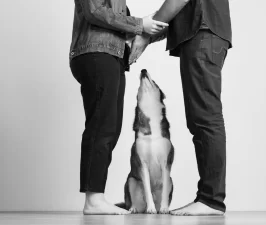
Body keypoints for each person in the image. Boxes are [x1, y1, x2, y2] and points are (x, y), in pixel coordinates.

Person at [129, 0, 232, 216]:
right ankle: (209, 198)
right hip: (205, 37)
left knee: (205, 118)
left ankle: (211, 200)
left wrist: (147, 32)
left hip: (203, 37)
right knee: (201, 119)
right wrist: (147, 30)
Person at [69, 0, 168, 215]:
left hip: (111, 57)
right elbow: (94, 11)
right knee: (101, 127)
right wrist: (140, 24)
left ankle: (95, 197)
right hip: (96, 53)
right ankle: (93, 200)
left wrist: (154, 26)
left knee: (110, 128)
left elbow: (120, 26)